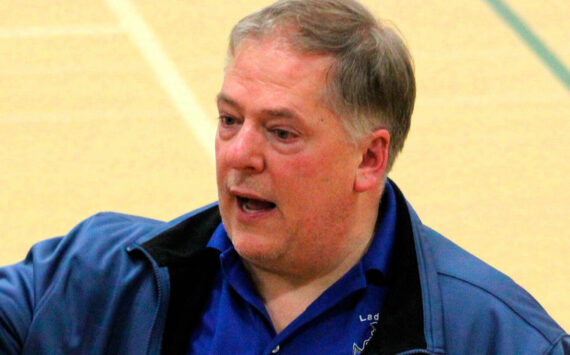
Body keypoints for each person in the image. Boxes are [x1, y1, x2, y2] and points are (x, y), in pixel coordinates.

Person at [1, 0, 568, 354]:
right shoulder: (91, 278)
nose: (238, 154)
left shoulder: (495, 337)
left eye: (281, 132)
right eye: (229, 120)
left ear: (369, 159)